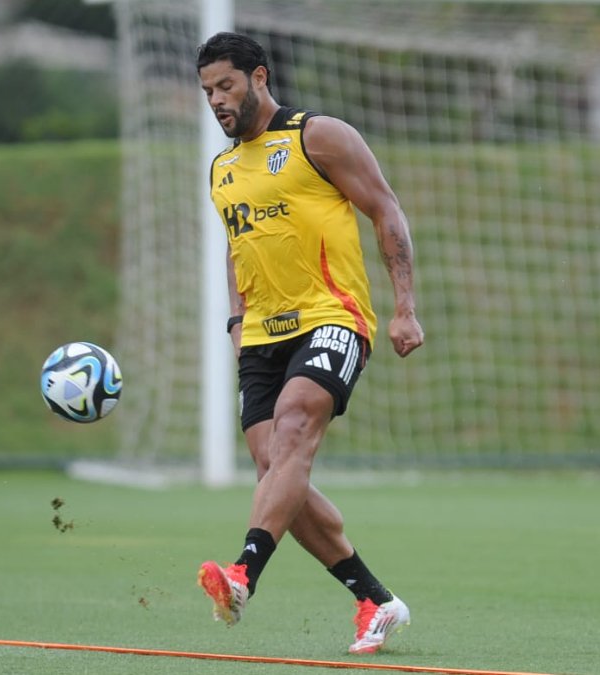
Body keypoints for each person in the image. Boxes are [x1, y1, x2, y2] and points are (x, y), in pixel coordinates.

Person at [194, 32, 425, 655]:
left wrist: (405, 308)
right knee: (277, 475)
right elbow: (238, 247)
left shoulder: (318, 136)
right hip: (260, 336)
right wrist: (237, 324)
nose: (216, 100)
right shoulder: (222, 170)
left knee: (294, 429)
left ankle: (242, 575)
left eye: (226, 86)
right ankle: (376, 600)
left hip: (332, 317)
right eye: (208, 91)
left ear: (259, 77)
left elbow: (385, 210)